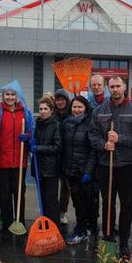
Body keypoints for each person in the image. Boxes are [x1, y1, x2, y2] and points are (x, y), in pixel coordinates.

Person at [89, 76, 132, 259]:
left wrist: (119, 139)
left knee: (126, 204)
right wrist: (103, 145)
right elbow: (93, 134)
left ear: (124, 87)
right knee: (107, 203)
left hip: (127, 165)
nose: (115, 89)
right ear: (108, 88)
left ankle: (124, 241)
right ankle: (108, 237)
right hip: (106, 164)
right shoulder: (99, 111)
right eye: (112, 86)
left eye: (118, 86)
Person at [0, 80, 35, 229]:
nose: (10, 97)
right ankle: (7, 223)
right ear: (2, 96)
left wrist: (27, 136)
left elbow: (31, 130)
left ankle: (19, 222)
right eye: (7, 94)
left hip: (20, 161)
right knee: (5, 194)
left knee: (19, 193)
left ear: (17, 96)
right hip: (3, 160)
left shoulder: (25, 112)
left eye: (12, 94)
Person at [61, 96, 98, 245]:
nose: (76, 110)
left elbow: (94, 150)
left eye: (80, 107)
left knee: (89, 203)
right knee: (77, 202)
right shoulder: (67, 123)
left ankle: (91, 229)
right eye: (74, 107)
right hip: (71, 171)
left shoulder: (90, 124)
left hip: (85, 172)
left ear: (86, 108)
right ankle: (81, 228)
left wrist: (88, 171)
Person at [31, 94, 63, 226]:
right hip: (38, 167)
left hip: (51, 169)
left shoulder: (55, 125)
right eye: (41, 109)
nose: (43, 111)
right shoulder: (38, 124)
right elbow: (34, 142)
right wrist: (28, 141)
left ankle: (54, 225)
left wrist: (38, 148)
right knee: (42, 199)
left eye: (45, 109)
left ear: (51, 110)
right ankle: (44, 223)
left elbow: (57, 147)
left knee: (51, 200)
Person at [53, 89, 72, 224]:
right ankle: (52, 211)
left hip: (67, 155)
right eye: (58, 100)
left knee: (66, 187)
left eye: (62, 99)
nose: (60, 102)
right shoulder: (52, 115)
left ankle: (62, 212)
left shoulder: (71, 115)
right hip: (54, 155)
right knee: (53, 186)